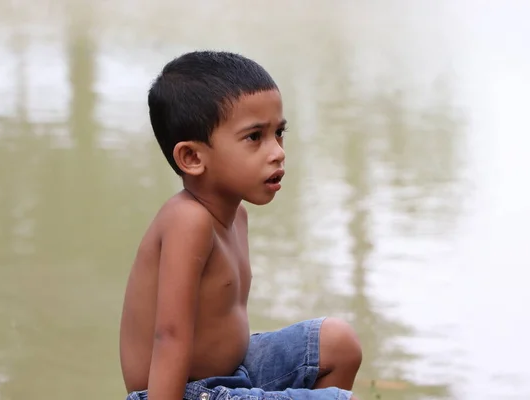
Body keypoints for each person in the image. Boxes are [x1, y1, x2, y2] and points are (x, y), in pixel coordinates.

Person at [119, 50, 362, 400]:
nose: (277, 151)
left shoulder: (237, 216)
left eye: (279, 133)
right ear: (192, 157)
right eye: (254, 137)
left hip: (234, 373)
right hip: (183, 392)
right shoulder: (187, 221)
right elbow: (169, 337)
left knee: (339, 342)